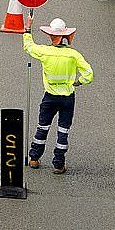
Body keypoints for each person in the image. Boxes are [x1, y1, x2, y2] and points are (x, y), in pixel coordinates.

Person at [24, 15, 94, 174]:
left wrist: (28, 27)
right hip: (68, 98)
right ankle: (58, 164)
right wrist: (79, 82)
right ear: (65, 36)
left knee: (42, 128)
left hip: (49, 97)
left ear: (50, 35)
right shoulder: (74, 54)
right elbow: (89, 74)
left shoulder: (45, 52)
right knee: (63, 131)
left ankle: (34, 158)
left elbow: (28, 46)